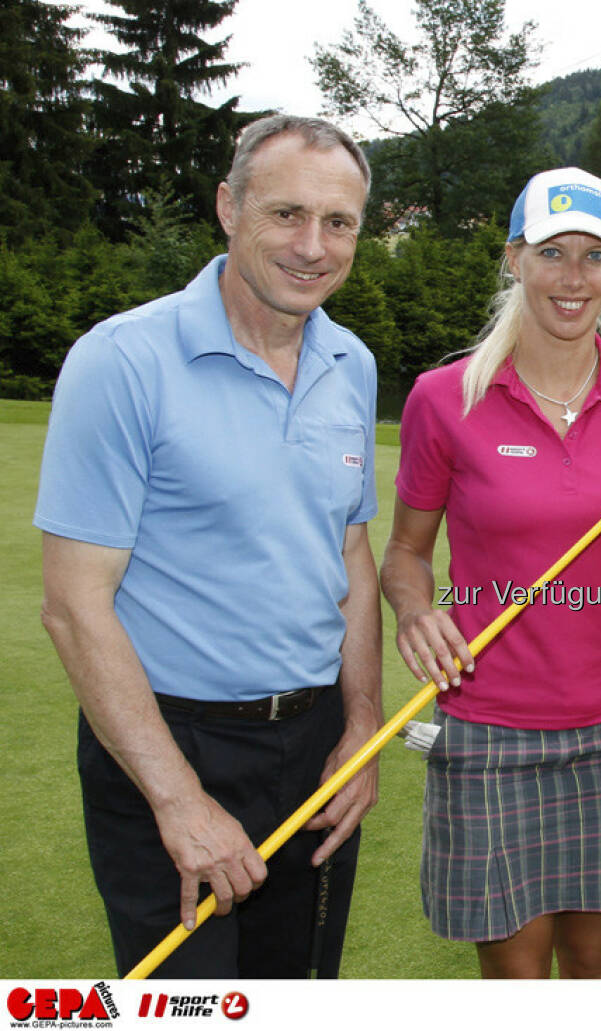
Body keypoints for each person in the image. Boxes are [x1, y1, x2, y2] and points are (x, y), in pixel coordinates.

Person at [35, 115, 383, 978]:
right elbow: (75, 605)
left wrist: (364, 727)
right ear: (229, 208)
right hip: (169, 744)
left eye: (338, 222)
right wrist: (178, 799)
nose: (313, 246)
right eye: (286, 214)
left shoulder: (353, 362)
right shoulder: (121, 360)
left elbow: (351, 558)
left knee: (297, 989)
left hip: (312, 747)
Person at [380, 167, 601, 979]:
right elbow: (406, 551)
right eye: (552, 252)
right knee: (516, 980)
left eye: (595, 255)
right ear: (514, 257)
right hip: (488, 729)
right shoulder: (444, 398)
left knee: (597, 969)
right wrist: (416, 612)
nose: (573, 277)